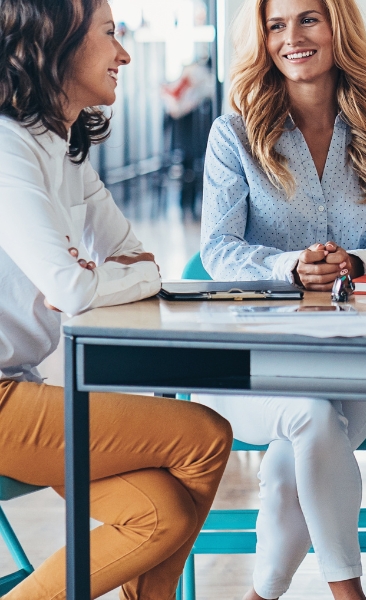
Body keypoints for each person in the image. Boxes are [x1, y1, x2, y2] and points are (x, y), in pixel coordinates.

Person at [0, 0, 233, 598]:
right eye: (109, 35)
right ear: (55, 43)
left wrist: (104, 278)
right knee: (204, 435)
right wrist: (95, 278)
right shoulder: (6, 147)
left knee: (163, 513)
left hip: (18, 386)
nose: (125, 54)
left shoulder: (61, 145)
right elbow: (74, 287)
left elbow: (134, 258)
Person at [197, 0, 366, 597]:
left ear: (337, 27)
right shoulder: (233, 136)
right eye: (275, 25)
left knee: (288, 460)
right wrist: (289, 267)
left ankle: (259, 594)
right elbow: (218, 249)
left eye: (308, 19)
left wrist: (357, 262)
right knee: (309, 417)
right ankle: (349, 593)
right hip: (246, 366)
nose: (292, 37)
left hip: (350, 365)